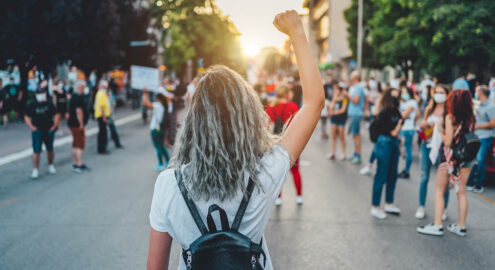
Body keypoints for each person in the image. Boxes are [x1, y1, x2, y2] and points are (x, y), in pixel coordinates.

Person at [147, 10, 324, 270]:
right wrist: (297, 32)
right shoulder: (264, 172)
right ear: (247, 118)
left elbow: (155, 268)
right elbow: (314, 103)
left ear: (194, 122)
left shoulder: (169, 184)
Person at [417, 90, 475, 237]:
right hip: (466, 158)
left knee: (439, 191)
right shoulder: (471, 117)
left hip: (450, 159)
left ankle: (437, 225)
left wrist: (439, 130)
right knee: (461, 192)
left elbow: (448, 141)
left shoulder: (450, 117)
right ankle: (461, 226)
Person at [415, 85, 450, 219]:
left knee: (443, 180)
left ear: (447, 95)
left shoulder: (449, 111)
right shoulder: (429, 108)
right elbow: (422, 125)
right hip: (427, 144)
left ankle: (444, 208)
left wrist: (438, 127)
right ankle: (421, 206)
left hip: (442, 147)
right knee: (424, 177)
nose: (439, 95)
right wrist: (424, 125)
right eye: (437, 92)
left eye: (442, 93)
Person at [266, 84, 303, 205]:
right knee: (295, 170)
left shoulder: (270, 109)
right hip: (292, 143)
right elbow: (299, 126)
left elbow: (266, 129)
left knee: (277, 172)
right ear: (287, 94)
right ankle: (299, 196)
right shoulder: (293, 106)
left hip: (275, 145)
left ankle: (278, 197)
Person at [370, 88, 403, 219]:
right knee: (381, 174)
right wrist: (396, 130)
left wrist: (397, 130)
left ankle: (389, 203)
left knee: (392, 175)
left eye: (398, 96)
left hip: (393, 143)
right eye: (393, 96)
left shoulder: (395, 111)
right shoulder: (383, 112)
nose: (396, 98)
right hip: (385, 143)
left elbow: (400, 122)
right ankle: (375, 206)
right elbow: (389, 129)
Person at [24, 88, 60, 179]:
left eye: (42, 93)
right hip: (37, 130)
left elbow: (56, 114)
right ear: (36, 94)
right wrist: (32, 127)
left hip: (48, 129)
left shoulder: (49, 103)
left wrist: (54, 126)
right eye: (39, 93)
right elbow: (26, 116)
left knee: (50, 149)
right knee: (36, 151)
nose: (41, 95)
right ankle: (35, 169)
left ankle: (50, 165)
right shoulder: (32, 104)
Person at [467, 85, 495, 193]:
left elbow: (493, 123)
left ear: (481, 93)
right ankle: (469, 183)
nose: (476, 93)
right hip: (477, 136)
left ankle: (479, 185)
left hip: (485, 137)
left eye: (477, 91)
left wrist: (478, 126)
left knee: (480, 159)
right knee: (473, 159)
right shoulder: (479, 106)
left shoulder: (491, 107)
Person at [141, 88, 171, 171]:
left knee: (157, 147)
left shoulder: (157, 105)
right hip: (162, 129)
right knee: (162, 146)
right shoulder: (164, 106)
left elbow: (144, 103)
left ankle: (161, 163)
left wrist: (144, 93)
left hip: (155, 129)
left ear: (159, 99)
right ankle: (168, 161)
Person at [68, 81, 90, 173]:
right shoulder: (78, 98)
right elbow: (79, 112)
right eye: (84, 87)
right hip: (77, 124)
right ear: (80, 87)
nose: (85, 89)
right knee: (79, 144)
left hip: (72, 123)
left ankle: (76, 163)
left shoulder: (73, 96)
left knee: (75, 143)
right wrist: (81, 124)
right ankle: (79, 164)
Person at [343, 70, 365, 164]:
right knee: (354, 135)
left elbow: (356, 101)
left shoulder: (359, 88)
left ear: (355, 77)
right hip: (352, 113)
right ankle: (356, 154)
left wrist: (347, 95)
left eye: (351, 75)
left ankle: (358, 155)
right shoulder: (353, 87)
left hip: (356, 114)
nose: (350, 76)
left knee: (356, 135)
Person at [398, 83, 418, 179]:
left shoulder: (412, 102)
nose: (403, 94)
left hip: (408, 129)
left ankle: (407, 170)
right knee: (404, 149)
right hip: (402, 128)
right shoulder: (403, 103)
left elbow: (404, 115)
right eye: (402, 92)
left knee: (407, 150)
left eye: (405, 92)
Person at [328, 83, 348, 160]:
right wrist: (334, 99)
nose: (335, 91)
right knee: (333, 136)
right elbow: (331, 107)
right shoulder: (333, 97)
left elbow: (343, 109)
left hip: (341, 118)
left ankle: (343, 153)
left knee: (341, 136)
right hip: (334, 118)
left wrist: (333, 112)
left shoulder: (345, 99)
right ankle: (333, 153)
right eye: (334, 90)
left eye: (337, 90)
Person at [94, 80, 111, 154]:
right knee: (103, 133)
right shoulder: (101, 94)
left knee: (102, 132)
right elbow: (101, 106)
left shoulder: (100, 93)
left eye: (106, 87)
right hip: (102, 116)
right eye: (104, 87)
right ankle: (102, 149)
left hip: (101, 115)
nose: (105, 88)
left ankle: (102, 148)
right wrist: (104, 116)